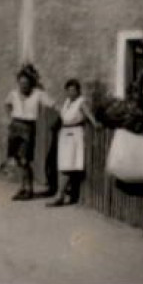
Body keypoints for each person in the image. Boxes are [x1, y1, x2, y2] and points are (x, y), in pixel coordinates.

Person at [4, 63, 53, 201]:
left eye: (26, 83)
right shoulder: (13, 93)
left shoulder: (38, 94)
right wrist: (9, 118)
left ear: (31, 83)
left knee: (25, 160)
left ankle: (29, 189)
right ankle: (22, 187)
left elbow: (52, 104)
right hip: (15, 126)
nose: (23, 86)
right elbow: (7, 104)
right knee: (18, 160)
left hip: (28, 127)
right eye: (21, 83)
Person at [49, 79, 96, 207]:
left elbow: (88, 114)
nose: (71, 92)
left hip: (74, 134)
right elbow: (62, 115)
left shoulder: (81, 102)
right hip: (65, 133)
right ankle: (61, 194)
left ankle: (60, 195)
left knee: (67, 165)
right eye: (69, 90)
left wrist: (96, 124)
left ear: (78, 90)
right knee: (62, 164)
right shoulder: (67, 102)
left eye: (73, 90)